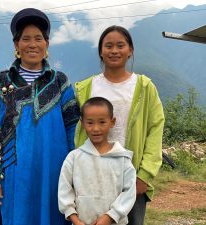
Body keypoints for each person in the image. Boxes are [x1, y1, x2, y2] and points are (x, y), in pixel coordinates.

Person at [0, 8, 80, 225]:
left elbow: (74, 129)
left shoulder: (60, 83)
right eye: (26, 39)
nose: (32, 44)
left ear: (47, 44)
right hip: (15, 173)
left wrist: (78, 174)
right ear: (16, 45)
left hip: (55, 173)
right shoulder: (2, 82)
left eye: (38, 38)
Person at [74, 25, 165, 225]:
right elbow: (77, 130)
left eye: (120, 45)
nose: (114, 50)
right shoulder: (86, 88)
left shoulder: (144, 87)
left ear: (130, 50)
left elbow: (155, 129)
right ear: (100, 51)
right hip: (92, 178)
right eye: (108, 46)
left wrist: (144, 175)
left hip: (130, 178)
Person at [58, 97, 136, 225]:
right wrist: (75, 219)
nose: (96, 128)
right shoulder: (74, 158)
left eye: (102, 122)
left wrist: (111, 216)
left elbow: (129, 193)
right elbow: (64, 189)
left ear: (112, 122)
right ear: (82, 123)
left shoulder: (122, 159)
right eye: (90, 123)